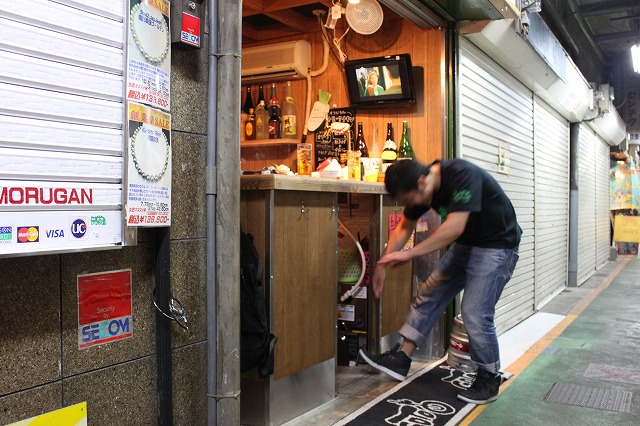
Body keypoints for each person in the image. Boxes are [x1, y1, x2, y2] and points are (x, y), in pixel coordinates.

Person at [359, 158, 521, 405]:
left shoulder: (461, 175)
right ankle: (401, 358)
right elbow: (404, 227)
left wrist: (409, 254)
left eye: (408, 199)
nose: (408, 205)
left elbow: (455, 227)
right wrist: (382, 264)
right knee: (430, 291)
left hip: (497, 244)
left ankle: (489, 376)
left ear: (421, 183)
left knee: (474, 312)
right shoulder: (422, 188)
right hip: (469, 243)